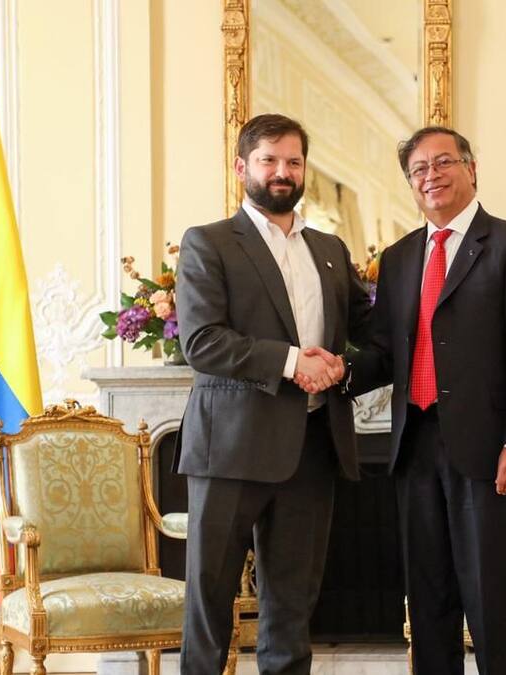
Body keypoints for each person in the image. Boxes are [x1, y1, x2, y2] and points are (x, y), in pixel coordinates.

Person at [330, 126, 506, 674]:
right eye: (419, 169)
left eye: (443, 163)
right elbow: (386, 350)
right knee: (428, 598)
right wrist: (339, 370)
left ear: (471, 169)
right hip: (415, 448)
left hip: (488, 451)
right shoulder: (400, 257)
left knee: (489, 597)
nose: (431, 175)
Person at [173, 113, 372, 675]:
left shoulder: (329, 248)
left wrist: (341, 368)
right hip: (229, 448)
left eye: (293, 161)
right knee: (210, 601)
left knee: (292, 605)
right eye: (269, 160)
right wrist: (291, 362)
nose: (282, 171)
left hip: (312, 446)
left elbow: (366, 330)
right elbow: (203, 342)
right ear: (242, 167)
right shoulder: (209, 242)